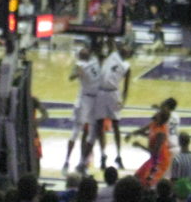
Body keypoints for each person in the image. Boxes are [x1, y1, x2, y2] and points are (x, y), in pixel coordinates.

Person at [91, 42, 131, 171]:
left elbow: (126, 88)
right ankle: (103, 155)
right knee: (99, 124)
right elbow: (112, 41)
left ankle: (118, 155)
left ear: (129, 54)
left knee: (116, 125)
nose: (125, 48)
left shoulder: (126, 66)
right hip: (101, 92)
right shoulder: (112, 55)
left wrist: (123, 101)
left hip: (114, 93)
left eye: (128, 49)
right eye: (125, 47)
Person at [66, 46, 100, 174]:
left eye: (86, 49)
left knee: (92, 133)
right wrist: (77, 73)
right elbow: (71, 76)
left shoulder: (94, 60)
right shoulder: (80, 64)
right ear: (79, 55)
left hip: (96, 100)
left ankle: (83, 162)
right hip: (84, 100)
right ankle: (67, 160)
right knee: (77, 131)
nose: (85, 50)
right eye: (81, 50)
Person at [132, 107, 171, 189]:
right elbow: (143, 131)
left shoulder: (161, 133)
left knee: (146, 184)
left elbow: (155, 153)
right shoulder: (154, 123)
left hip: (160, 161)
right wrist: (133, 133)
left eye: (158, 113)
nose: (156, 114)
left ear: (161, 119)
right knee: (136, 177)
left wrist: (140, 146)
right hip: (153, 159)